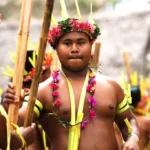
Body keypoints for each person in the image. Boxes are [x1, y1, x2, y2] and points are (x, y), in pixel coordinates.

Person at [3, 16, 140, 149]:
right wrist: (9, 106)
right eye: (67, 43)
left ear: (90, 46)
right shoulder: (42, 91)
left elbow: (129, 121)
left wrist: (133, 138)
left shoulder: (111, 87)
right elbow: (18, 121)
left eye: (81, 42)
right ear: (56, 49)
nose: (74, 48)